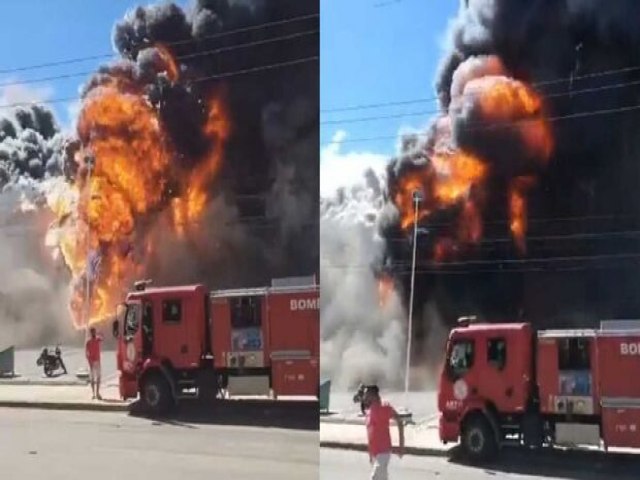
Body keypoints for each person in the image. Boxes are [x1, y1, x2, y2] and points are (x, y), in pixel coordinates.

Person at [363, 385, 405, 480]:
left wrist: (401, 446)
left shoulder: (385, 408)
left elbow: (400, 421)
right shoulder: (369, 411)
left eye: (366, 394)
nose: (364, 397)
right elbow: (370, 434)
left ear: (373, 395)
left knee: (374, 478)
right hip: (375, 454)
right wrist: (370, 454)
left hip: (383, 452)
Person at [85, 327, 103, 400]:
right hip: (92, 362)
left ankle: (97, 393)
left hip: (97, 361)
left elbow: (102, 338)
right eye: (92, 332)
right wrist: (89, 362)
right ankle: (93, 394)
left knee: (98, 377)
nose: (93, 333)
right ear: (90, 333)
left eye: (94, 332)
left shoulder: (97, 339)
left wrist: (99, 334)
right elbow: (87, 353)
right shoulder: (88, 342)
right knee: (92, 379)